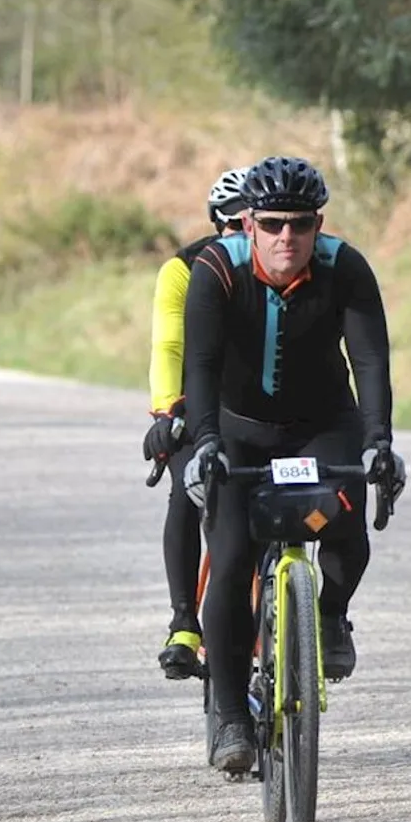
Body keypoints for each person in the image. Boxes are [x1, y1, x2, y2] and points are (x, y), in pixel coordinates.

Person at [181, 155, 407, 774]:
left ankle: (329, 615)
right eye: (274, 224)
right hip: (237, 431)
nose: (288, 238)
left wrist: (378, 441)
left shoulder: (344, 267)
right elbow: (197, 366)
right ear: (248, 224)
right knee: (227, 562)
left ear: (319, 224)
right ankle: (229, 715)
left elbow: (369, 360)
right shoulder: (216, 270)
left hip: (320, 425)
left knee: (344, 520)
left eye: (302, 225)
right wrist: (204, 444)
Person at [143, 166, 251, 679]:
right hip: (200, 400)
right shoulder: (185, 269)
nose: (243, 236)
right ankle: (184, 622)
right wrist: (167, 410)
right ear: (216, 223)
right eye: (233, 226)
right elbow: (168, 345)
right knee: (187, 489)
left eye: (254, 224)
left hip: (264, 406)